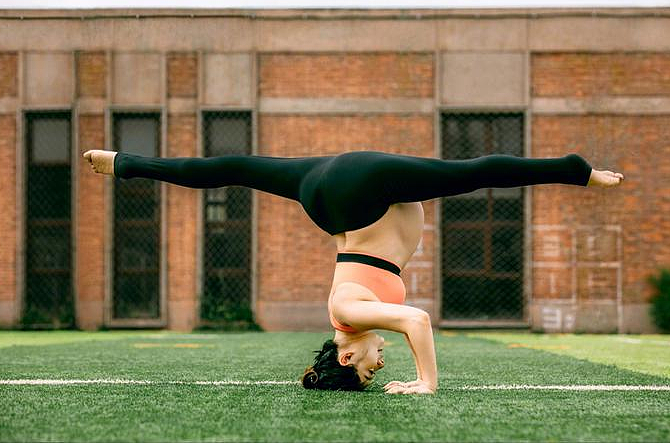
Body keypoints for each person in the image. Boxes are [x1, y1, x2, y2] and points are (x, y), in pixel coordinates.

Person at [83, 148, 624, 394]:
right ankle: (124, 162)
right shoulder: (354, 317)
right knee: (232, 168)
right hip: (326, 193)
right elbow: (402, 316)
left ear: (346, 353)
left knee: (475, 172)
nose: (377, 363)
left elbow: (417, 320)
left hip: (355, 191)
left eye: (367, 369)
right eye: (378, 372)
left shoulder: (348, 314)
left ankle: (580, 172)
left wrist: (426, 383)